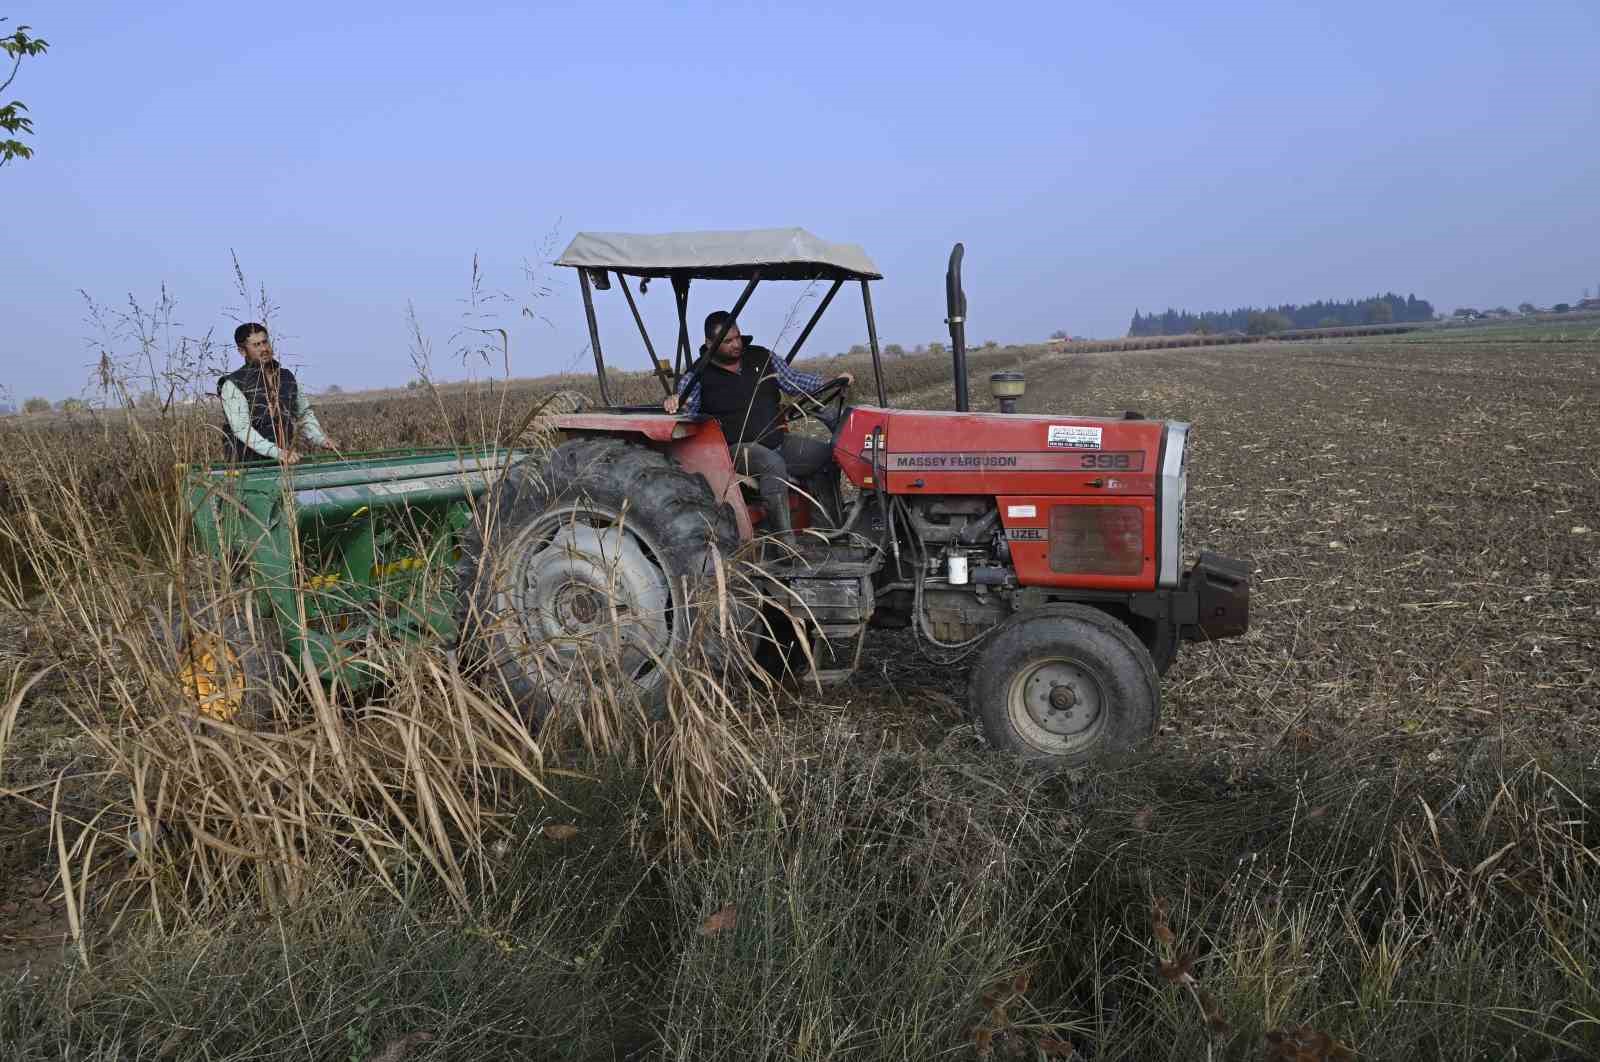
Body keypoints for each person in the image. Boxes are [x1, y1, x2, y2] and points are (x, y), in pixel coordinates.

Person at [663, 311, 851, 549]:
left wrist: (831, 381)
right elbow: (686, 403)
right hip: (736, 448)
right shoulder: (698, 374)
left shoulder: (762, 358)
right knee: (772, 463)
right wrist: (675, 400)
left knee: (828, 455)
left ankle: (827, 531)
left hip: (777, 440)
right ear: (710, 344)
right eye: (728, 341)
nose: (736, 344)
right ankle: (785, 544)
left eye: (737, 337)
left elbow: (794, 381)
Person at [217, 323, 339, 464]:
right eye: (256, 345)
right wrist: (277, 452)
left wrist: (321, 439)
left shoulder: (287, 377)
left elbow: (304, 414)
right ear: (242, 351)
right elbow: (242, 429)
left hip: (284, 461)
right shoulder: (232, 384)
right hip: (247, 465)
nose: (264, 349)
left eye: (265, 342)